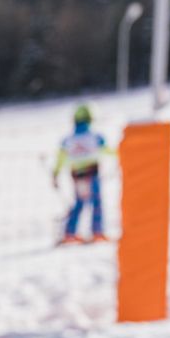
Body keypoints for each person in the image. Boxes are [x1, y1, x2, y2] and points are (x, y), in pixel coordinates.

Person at [52, 103, 113, 245]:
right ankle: (97, 231)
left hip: (77, 176)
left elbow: (61, 158)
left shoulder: (68, 140)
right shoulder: (95, 137)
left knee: (79, 203)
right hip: (92, 174)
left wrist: (55, 173)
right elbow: (107, 150)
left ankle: (70, 232)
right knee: (96, 202)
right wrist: (124, 153)